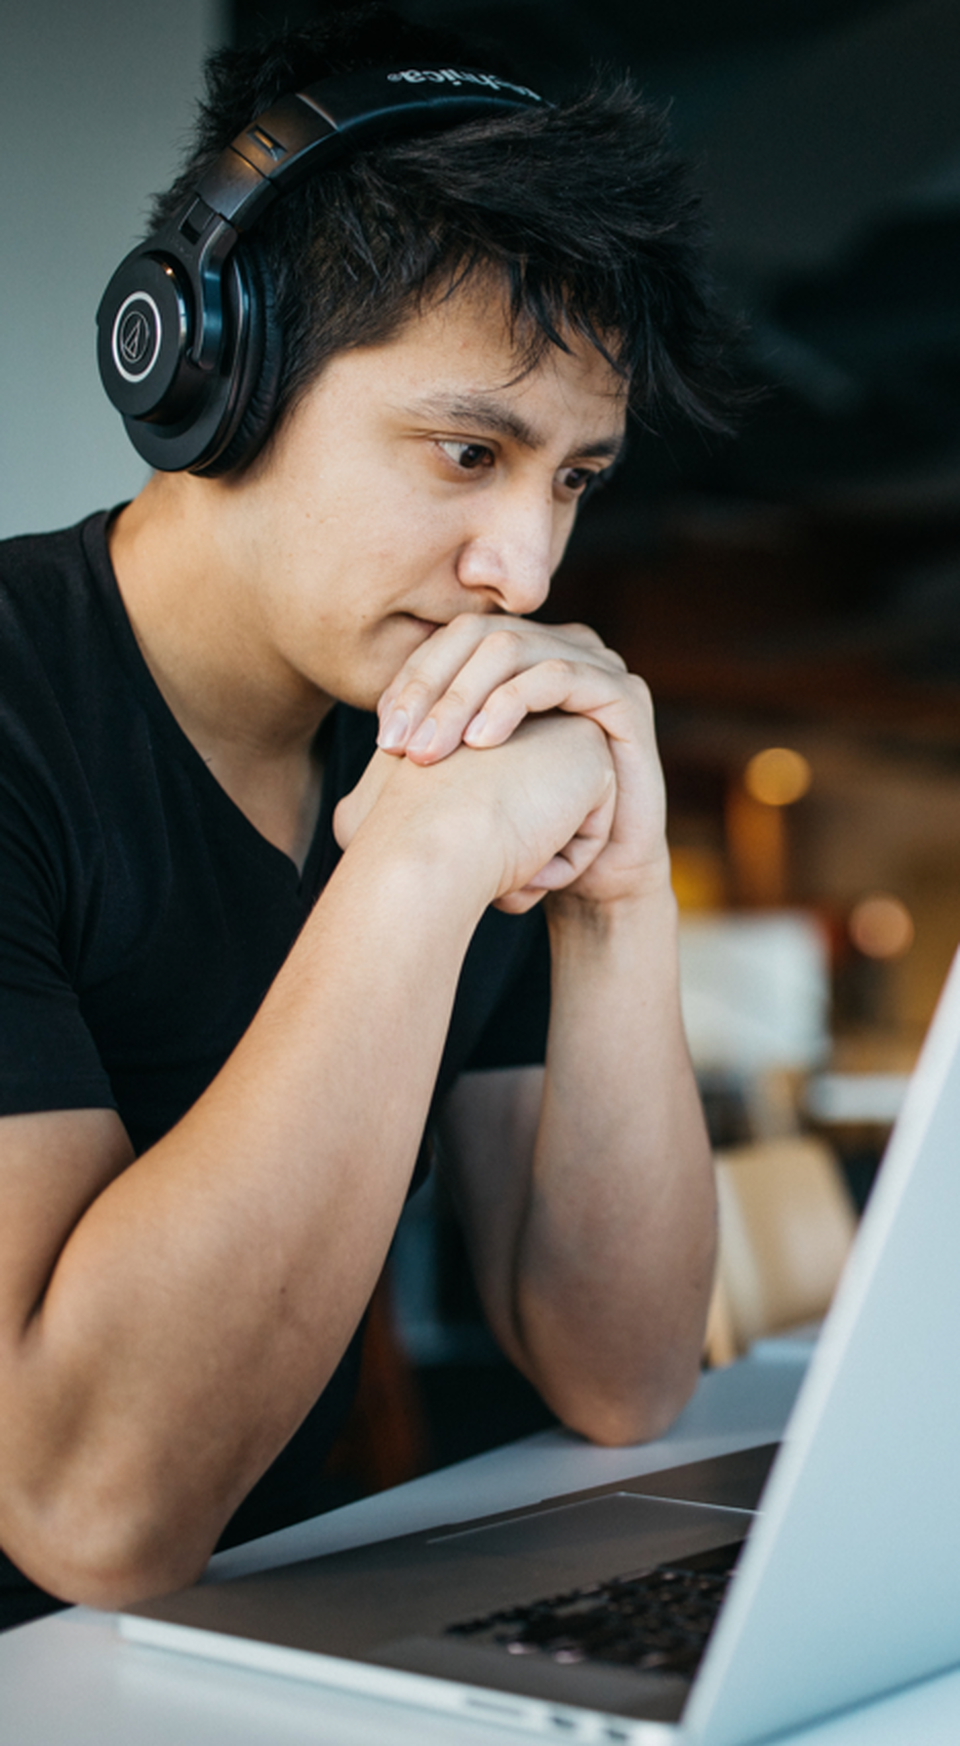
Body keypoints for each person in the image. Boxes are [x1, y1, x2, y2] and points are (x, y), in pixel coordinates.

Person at [0, 3, 736, 1630]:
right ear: (212, 372)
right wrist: (414, 864)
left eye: (572, 479)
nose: (528, 574)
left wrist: (621, 898)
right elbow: (88, 1506)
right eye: (468, 449)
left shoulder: (445, 737)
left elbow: (622, 1377)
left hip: (274, 1646)